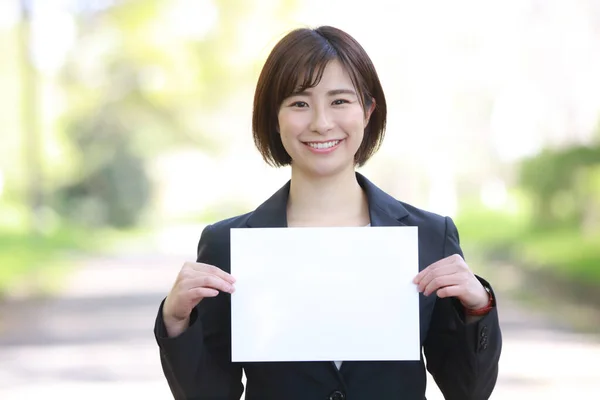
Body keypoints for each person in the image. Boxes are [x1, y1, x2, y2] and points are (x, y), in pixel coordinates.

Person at [154, 25, 501, 400]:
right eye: (299, 103)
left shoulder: (429, 236)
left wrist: (477, 308)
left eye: (339, 101)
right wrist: (176, 322)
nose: (321, 122)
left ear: (368, 111)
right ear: (275, 117)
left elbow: (468, 391)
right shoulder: (230, 246)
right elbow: (210, 395)